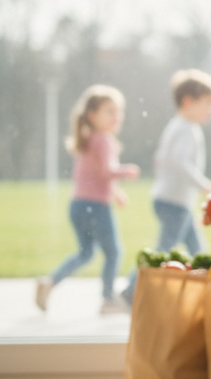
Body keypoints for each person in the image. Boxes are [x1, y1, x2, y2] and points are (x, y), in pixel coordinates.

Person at [119, 69, 211, 307]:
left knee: (197, 249)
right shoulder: (184, 128)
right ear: (188, 102)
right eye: (208, 103)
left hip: (174, 201)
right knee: (164, 249)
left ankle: (208, 289)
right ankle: (131, 289)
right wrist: (205, 186)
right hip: (173, 202)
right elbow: (179, 163)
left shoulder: (182, 127)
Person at [35, 84, 141, 315]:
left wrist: (115, 192)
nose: (117, 117)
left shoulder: (89, 139)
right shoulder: (102, 139)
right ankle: (108, 300)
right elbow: (106, 171)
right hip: (96, 206)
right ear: (92, 116)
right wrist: (126, 171)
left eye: (118, 111)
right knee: (113, 251)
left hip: (78, 205)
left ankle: (50, 282)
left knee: (86, 253)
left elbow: (93, 175)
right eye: (110, 111)